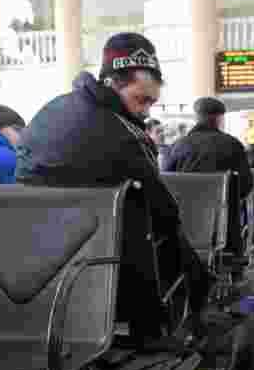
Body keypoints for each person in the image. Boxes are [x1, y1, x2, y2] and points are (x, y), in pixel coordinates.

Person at [15, 32, 210, 339]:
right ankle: (173, 330)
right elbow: (164, 211)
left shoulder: (49, 111)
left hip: (32, 267)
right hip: (104, 277)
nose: (146, 111)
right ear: (111, 83)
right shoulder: (122, 133)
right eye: (141, 99)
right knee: (167, 237)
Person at [162, 96, 254, 256]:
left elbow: (166, 182)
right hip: (224, 230)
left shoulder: (178, 145)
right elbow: (245, 185)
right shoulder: (232, 144)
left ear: (197, 117)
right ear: (219, 119)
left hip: (183, 230)